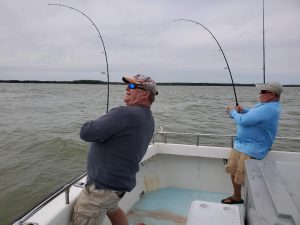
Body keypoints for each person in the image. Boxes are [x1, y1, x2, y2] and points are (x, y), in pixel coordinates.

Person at [72, 74, 158, 225]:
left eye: (132, 86)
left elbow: (86, 132)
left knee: (87, 213)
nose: (127, 88)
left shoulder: (123, 113)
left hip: (101, 189)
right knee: (112, 208)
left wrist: (103, 119)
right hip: (118, 187)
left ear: (145, 94)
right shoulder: (148, 119)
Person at [221, 81, 282, 204]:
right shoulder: (263, 105)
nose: (260, 93)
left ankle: (254, 205)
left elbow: (244, 121)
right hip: (240, 145)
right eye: (261, 91)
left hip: (252, 149)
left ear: (273, 95)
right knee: (233, 171)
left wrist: (232, 112)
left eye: (264, 92)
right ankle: (237, 197)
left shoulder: (269, 108)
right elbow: (252, 115)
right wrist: (243, 110)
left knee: (249, 179)